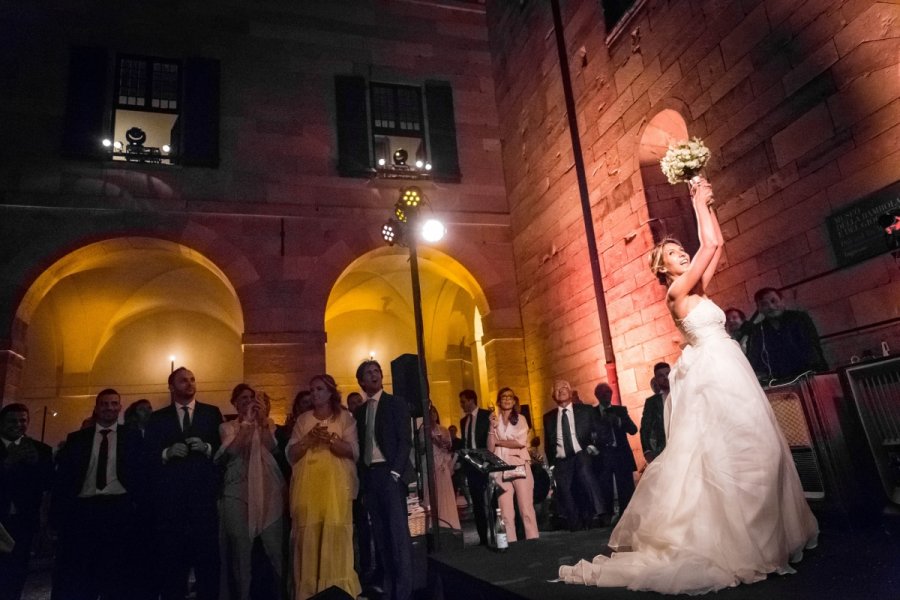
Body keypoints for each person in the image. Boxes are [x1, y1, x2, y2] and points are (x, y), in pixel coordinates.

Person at [560, 177, 818, 594]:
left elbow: (715, 244)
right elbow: (707, 248)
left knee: (758, 446)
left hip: (730, 366)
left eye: (683, 252)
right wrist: (695, 201)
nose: (682, 256)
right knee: (731, 451)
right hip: (714, 374)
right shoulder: (678, 291)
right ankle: (736, 540)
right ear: (664, 269)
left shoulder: (698, 288)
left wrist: (708, 204)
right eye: (675, 254)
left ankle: (766, 535)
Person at [51, 388, 144, 600]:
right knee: (83, 571)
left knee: (117, 571)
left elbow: (141, 473)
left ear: (120, 407)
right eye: (104, 403)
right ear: (96, 407)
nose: (109, 408)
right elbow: (65, 479)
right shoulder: (77, 439)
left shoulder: (132, 437)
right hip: (85, 511)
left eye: (114, 404)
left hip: (118, 509)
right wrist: (58, 517)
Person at [145, 367, 224, 600]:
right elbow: (147, 454)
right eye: (183, 380)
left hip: (203, 503)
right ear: (171, 386)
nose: (189, 384)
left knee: (207, 565)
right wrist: (167, 452)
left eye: (192, 379)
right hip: (171, 504)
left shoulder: (211, 413)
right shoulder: (158, 418)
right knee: (173, 566)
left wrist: (207, 447)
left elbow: (224, 451)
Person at [287, 374, 360, 600]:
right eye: (312, 390)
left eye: (319, 389)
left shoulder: (345, 418)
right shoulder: (303, 420)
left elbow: (353, 452)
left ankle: (338, 588)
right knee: (309, 536)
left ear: (330, 393)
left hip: (335, 487)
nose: (314, 394)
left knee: (335, 533)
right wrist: (308, 439)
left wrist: (330, 440)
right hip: (308, 486)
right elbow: (291, 454)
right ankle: (309, 591)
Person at [216, 385, 287, 600]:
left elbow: (271, 447)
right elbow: (235, 450)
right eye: (244, 398)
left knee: (275, 549)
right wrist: (246, 422)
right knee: (241, 551)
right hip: (238, 489)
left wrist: (262, 420)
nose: (249, 402)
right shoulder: (227, 427)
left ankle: (282, 593)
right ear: (235, 403)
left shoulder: (268, 425)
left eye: (253, 398)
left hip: (268, 488)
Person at [353, 360, 414, 600]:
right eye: (368, 372)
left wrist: (396, 473)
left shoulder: (395, 403)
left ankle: (404, 592)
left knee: (398, 535)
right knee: (380, 535)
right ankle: (389, 588)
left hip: (390, 474)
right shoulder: (360, 412)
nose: (374, 374)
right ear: (361, 381)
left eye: (376, 371)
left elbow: (404, 441)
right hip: (371, 476)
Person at [0, 403, 53, 600]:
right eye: (12, 421)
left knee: (17, 570)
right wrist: (7, 463)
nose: (18, 425)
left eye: (23, 420)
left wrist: (35, 465)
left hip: (23, 521)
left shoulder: (40, 450)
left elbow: (47, 485)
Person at [543, 380, 607, 530]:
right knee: (564, 490)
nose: (561, 390)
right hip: (561, 459)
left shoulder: (586, 411)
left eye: (565, 387)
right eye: (557, 389)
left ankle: (598, 514)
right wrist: (552, 463)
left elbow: (600, 431)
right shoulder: (549, 417)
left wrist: (594, 446)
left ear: (571, 392)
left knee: (585, 474)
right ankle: (575, 525)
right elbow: (548, 443)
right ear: (553, 395)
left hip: (581, 453)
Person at [745, 287, 828, 382]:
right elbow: (755, 358)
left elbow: (811, 347)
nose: (771, 307)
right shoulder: (758, 330)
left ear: (782, 301)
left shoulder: (799, 318)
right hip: (779, 381)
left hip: (810, 375)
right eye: (764, 304)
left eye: (774, 301)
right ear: (759, 309)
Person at [488, 388, 538, 542]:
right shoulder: (494, 420)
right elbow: (490, 448)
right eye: (504, 396)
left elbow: (519, 442)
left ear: (515, 400)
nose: (507, 399)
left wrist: (499, 442)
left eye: (510, 396)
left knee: (525, 508)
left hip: (518, 465)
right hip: (501, 468)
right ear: (498, 401)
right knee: (505, 511)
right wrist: (491, 427)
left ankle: (533, 540)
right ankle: (511, 542)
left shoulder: (521, 419)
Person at [593, 383, 638, 516]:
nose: (606, 395)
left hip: (620, 454)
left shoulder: (620, 410)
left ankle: (627, 515)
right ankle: (607, 515)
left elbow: (633, 430)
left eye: (608, 392)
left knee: (626, 487)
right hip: (603, 455)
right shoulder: (592, 413)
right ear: (597, 396)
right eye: (602, 393)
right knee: (605, 487)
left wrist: (619, 421)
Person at [458, 388, 491, 545]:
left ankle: (497, 532)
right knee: (477, 502)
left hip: (486, 464)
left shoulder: (486, 416)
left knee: (491, 501)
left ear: (471, 400)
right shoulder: (464, 421)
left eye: (463, 402)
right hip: (471, 467)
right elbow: (465, 442)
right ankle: (483, 537)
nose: (462, 405)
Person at [425, 405, 461, 531]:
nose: (433, 415)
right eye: (430, 413)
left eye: (435, 412)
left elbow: (448, 447)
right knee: (432, 493)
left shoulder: (444, 430)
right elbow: (420, 449)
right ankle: (433, 524)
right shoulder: (424, 430)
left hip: (442, 464)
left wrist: (440, 442)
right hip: (430, 464)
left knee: (445, 493)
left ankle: (448, 522)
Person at [640, 362, 670, 464]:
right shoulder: (651, 402)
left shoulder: (682, 393)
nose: (666, 378)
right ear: (656, 380)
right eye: (661, 376)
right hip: (663, 450)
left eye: (668, 373)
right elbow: (645, 428)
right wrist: (647, 451)